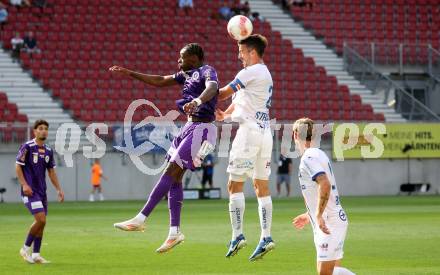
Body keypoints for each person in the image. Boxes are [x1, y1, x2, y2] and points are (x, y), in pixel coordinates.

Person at [109, 43, 218, 253]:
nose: (178, 60)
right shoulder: (184, 75)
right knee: (175, 178)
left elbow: (212, 88)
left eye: (182, 57)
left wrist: (196, 100)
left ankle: (141, 218)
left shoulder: (207, 70)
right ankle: (174, 232)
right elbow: (159, 80)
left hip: (202, 128)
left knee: (170, 172)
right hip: (188, 126)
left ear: (194, 58)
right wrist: (129, 72)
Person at [215, 34, 275, 261]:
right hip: (264, 132)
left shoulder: (249, 72)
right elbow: (240, 99)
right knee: (261, 186)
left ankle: (237, 235)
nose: (239, 56)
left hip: (248, 133)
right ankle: (266, 237)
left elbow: (221, 93)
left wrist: (199, 88)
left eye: (241, 52)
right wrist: (225, 114)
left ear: (252, 52)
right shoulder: (263, 73)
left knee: (234, 184)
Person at [291, 118, 354, 275]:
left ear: (295, 134)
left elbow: (324, 184)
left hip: (329, 222)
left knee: (325, 273)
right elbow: (324, 190)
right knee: (333, 271)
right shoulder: (317, 154)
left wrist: (318, 215)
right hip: (331, 220)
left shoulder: (308, 157)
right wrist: (310, 215)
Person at [16, 119, 64, 264]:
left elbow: (51, 172)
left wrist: (58, 189)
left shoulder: (48, 150)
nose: (43, 131)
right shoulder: (27, 147)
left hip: (42, 192)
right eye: (41, 128)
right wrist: (24, 185)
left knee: (42, 223)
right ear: (35, 131)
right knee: (41, 219)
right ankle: (25, 249)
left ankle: (36, 255)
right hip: (30, 191)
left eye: (45, 129)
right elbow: (18, 167)